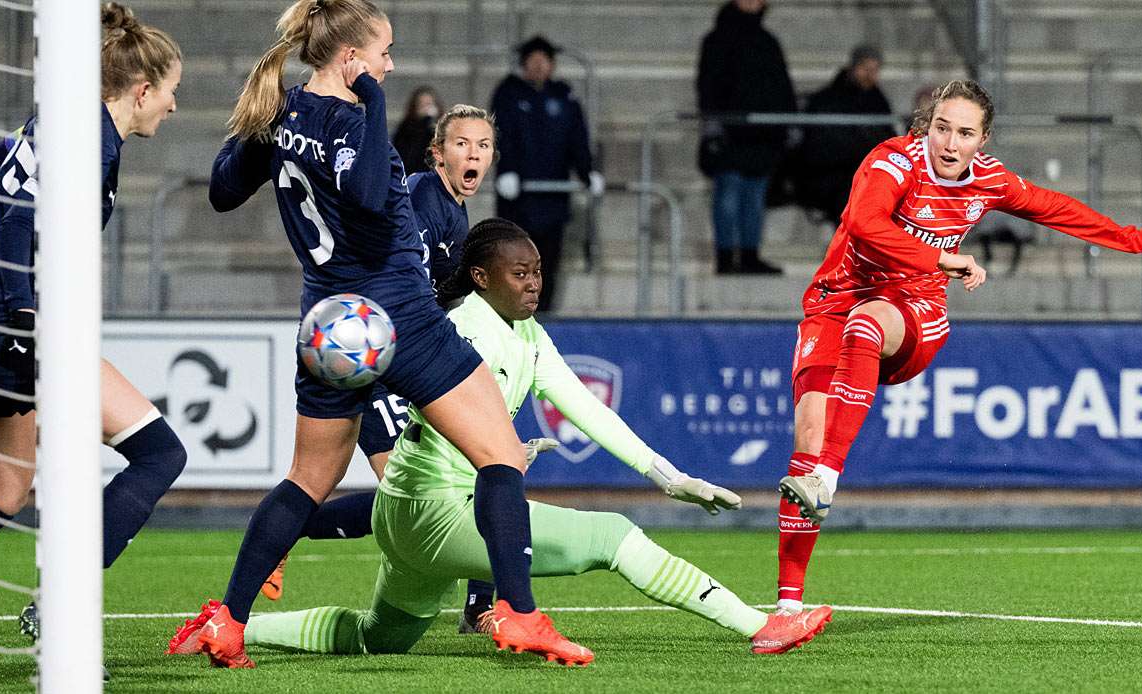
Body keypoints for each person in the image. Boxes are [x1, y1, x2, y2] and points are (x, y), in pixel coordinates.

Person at [167, 219, 826, 662]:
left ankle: (232, 623)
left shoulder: (527, 337)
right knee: (613, 537)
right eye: (519, 272)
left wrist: (668, 475)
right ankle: (760, 625)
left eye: (537, 270)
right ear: (482, 277)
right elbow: (398, 404)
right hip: (436, 510)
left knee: (381, 639)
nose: (534, 281)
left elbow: (584, 408)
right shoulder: (465, 333)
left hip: (408, 513)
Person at [184, 0, 583, 668]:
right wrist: (369, 102)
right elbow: (370, 196)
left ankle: (228, 618)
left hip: (329, 323)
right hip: (398, 313)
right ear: (350, 59)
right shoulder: (350, 116)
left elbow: (223, 192)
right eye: (382, 53)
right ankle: (515, 611)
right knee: (502, 456)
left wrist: (257, 126)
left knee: (306, 478)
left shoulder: (282, 111)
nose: (389, 65)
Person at [774, 80, 1142, 638]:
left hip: (910, 312)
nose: (949, 141)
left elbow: (1053, 207)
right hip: (831, 303)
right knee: (807, 434)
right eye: (942, 127)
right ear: (928, 125)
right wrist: (942, 256)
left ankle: (826, 478)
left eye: (964, 132)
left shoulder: (988, 179)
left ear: (981, 139)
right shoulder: (891, 162)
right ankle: (787, 608)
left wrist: (1133, 238)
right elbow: (867, 224)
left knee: (869, 324)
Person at [0, 0, 185, 640]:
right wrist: (26, 313)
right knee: (158, 453)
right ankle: (63, 612)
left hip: (16, 325)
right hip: (18, 330)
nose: (175, 107)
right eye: (171, 93)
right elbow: (16, 216)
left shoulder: (66, 122)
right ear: (142, 89)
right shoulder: (87, 138)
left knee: (4, 494)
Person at [260, 104, 503, 602]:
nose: (473, 153)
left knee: (458, 480)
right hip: (375, 358)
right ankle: (281, 533)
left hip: (404, 362)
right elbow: (394, 278)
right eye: (462, 143)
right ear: (438, 153)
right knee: (417, 495)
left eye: (483, 145)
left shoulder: (455, 212)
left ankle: (483, 601)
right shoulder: (420, 198)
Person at [490, 35, 603, 312]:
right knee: (514, 264)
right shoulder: (508, 94)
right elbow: (500, 134)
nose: (539, 67)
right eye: (533, 61)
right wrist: (505, 169)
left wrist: (588, 172)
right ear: (524, 64)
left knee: (546, 265)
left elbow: (577, 138)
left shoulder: (564, 97)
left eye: (545, 61)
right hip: (518, 202)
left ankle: (544, 319)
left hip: (553, 200)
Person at [695, 0, 796, 275]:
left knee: (754, 196)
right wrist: (713, 127)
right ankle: (726, 257)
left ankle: (750, 254)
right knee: (729, 193)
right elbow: (708, 85)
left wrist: (788, 125)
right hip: (730, 132)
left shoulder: (768, 41)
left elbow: (781, 85)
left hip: (763, 134)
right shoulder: (717, 39)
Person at [796, 44, 896, 226]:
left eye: (874, 70)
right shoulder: (828, 100)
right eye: (865, 68)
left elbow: (887, 137)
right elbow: (819, 147)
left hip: (867, 173)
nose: (869, 75)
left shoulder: (877, 100)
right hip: (833, 175)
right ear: (854, 67)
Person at [392, 86, 442, 174]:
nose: (426, 109)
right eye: (422, 105)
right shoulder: (405, 130)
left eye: (429, 104)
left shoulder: (443, 130)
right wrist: (424, 123)